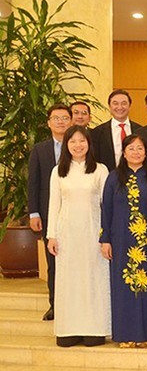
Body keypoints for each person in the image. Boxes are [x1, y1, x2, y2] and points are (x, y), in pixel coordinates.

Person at [46, 125, 110, 347]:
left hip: (93, 232)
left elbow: (107, 205)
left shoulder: (100, 170)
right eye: (72, 141)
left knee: (92, 279)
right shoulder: (58, 171)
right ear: (67, 145)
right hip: (66, 234)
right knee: (69, 281)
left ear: (89, 144)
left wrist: (106, 237)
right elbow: (54, 204)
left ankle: (94, 329)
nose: (78, 145)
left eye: (82, 141)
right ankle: (68, 329)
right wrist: (51, 235)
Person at [100, 134, 147, 347]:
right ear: (124, 152)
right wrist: (105, 239)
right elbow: (106, 210)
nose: (136, 152)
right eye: (131, 148)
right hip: (121, 240)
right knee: (124, 286)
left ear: (146, 153)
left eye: (140, 148)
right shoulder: (113, 177)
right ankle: (126, 334)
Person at [28, 104, 72, 321]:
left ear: (71, 121)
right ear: (48, 122)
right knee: (53, 260)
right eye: (56, 118)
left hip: (77, 213)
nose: (61, 122)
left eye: (65, 118)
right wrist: (34, 212)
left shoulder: (80, 145)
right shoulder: (40, 149)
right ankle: (55, 305)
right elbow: (33, 182)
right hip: (49, 214)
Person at [91, 89, 142, 171]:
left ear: (129, 106)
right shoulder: (97, 132)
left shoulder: (140, 130)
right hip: (108, 177)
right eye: (115, 103)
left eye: (124, 103)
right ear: (109, 106)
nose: (120, 107)